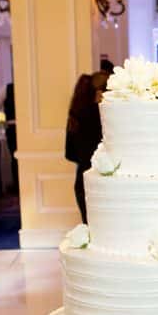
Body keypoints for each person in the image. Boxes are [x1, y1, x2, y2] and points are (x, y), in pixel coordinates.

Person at [65, 72, 107, 223]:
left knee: (90, 229)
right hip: (103, 182)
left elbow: (69, 154)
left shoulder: (76, 114)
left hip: (82, 180)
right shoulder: (105, 116)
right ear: (101, 92)